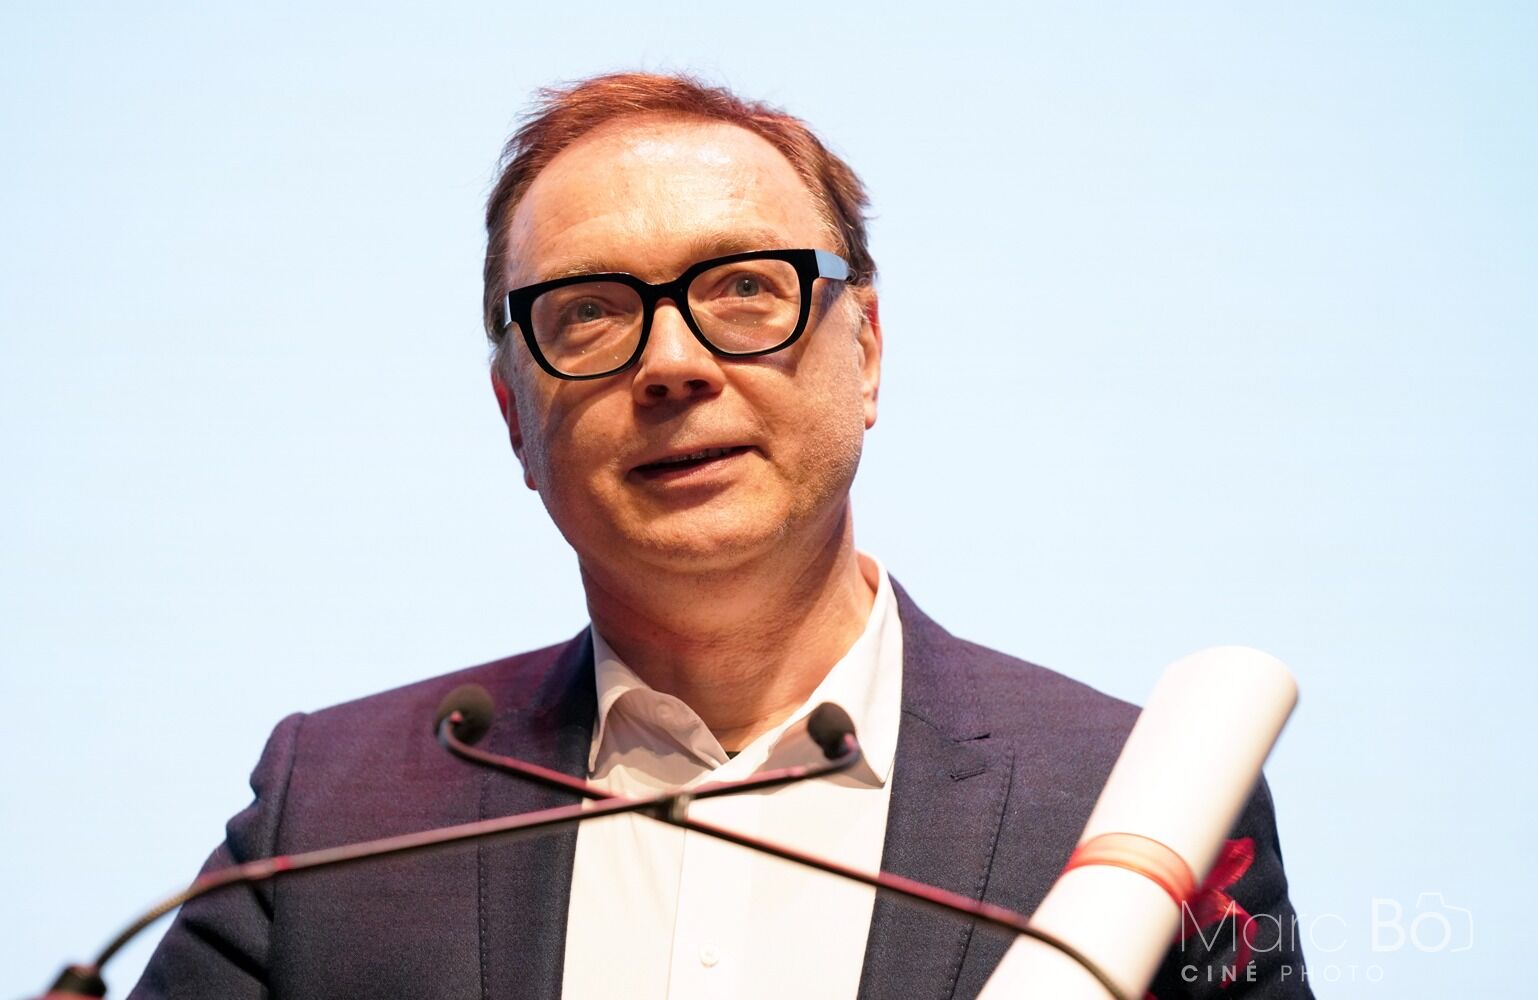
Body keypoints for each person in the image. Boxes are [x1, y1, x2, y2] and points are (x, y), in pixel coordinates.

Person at [129, 72, 1312, 999]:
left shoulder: (1137, 797)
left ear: (867, 354)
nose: (672, 364)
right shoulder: (336, 815)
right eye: (588, 313)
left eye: (744, 287)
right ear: (512, 417)